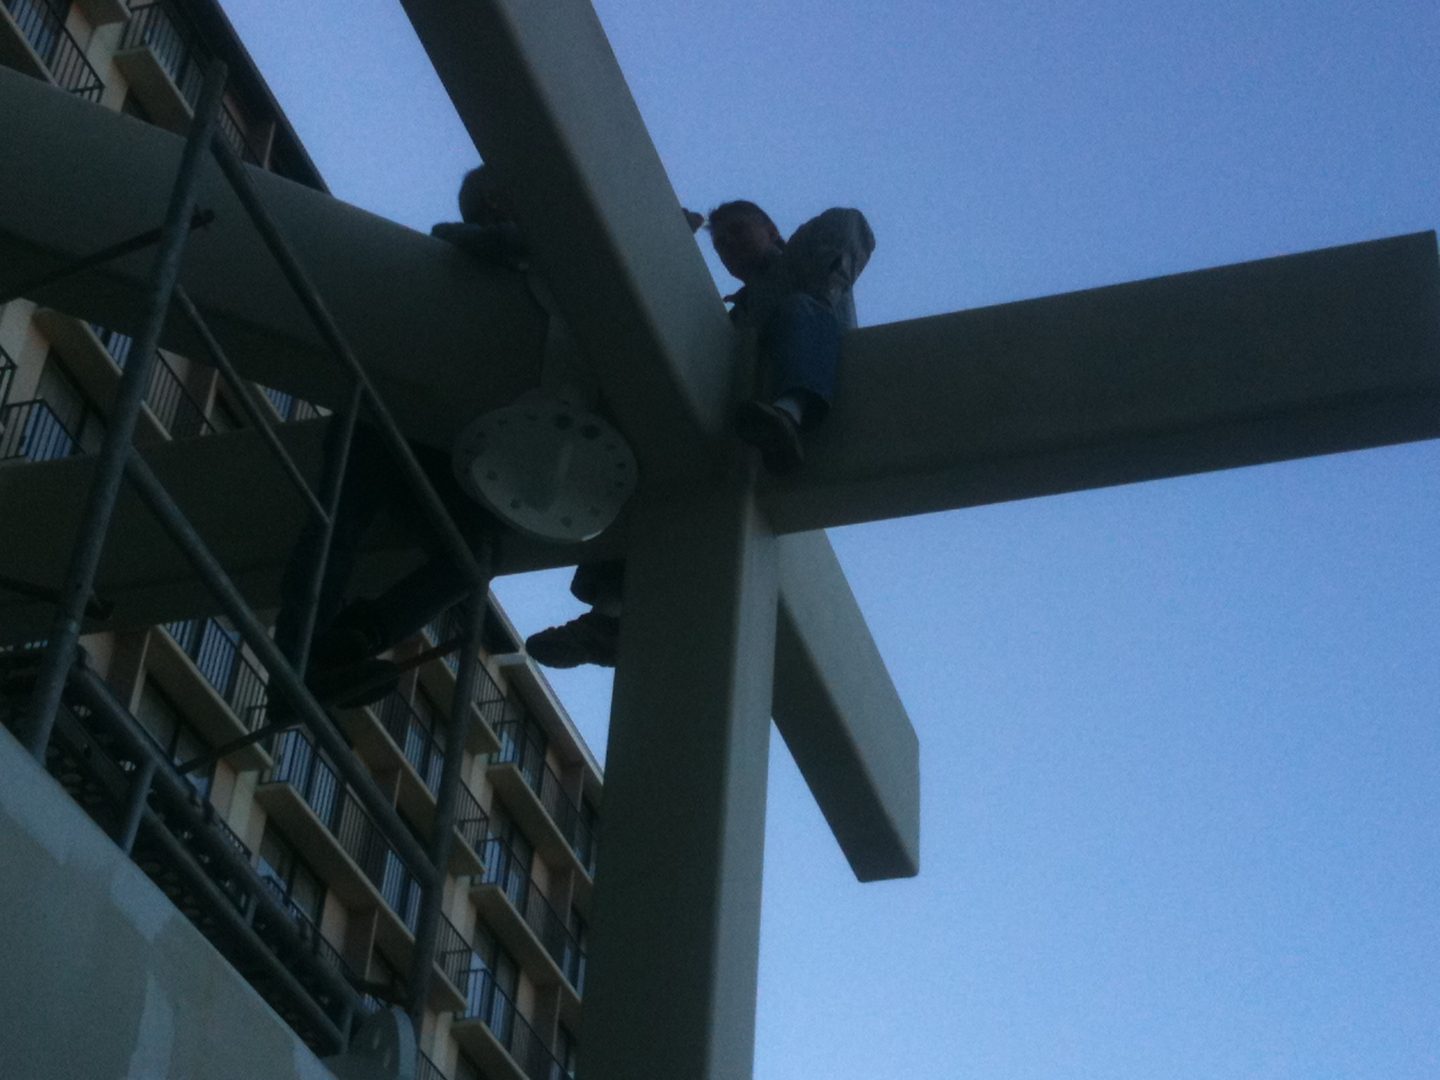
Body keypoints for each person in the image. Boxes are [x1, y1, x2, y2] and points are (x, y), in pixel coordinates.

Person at [525, 200, 875, 668]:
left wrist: (791, 272)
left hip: (797, 377)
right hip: (733, 416)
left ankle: (789, 417)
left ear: (771, 229)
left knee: (798, 308)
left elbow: (846, 229)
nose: (728, 244)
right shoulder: (727, 320)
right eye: (721, 241)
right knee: (643, 463)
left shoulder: (802, 280)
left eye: (736, 230)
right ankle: (607, 618)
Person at [273, 167, 520, 703]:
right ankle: (295, 661)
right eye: (497, 198)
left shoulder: (517, 268)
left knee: (474, 555)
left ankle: (354, 638)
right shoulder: (463, 245)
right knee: (335, 530)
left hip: (435, 438)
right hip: (382, 417)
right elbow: (490, 244)